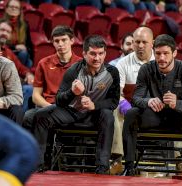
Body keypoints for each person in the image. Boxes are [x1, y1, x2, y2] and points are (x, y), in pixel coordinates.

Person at [121, 34, 182, 182]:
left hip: (178, 118)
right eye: (158, 53)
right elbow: (135, 99)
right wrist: (148, 101)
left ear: (174, 53)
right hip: (155, 115)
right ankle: (128, 167)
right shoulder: (146, 69)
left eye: (166, 53)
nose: (161, 58)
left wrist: (178, 103)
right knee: (131, 114)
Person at [32, 35, 120, 174]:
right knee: (40, 116)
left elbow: (113, 101)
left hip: (95, 115)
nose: (97, 58)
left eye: (100, 54)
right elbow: (59, 100)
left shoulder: (112, 72)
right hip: (71, 112)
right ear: (84, 54)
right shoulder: (73, 71)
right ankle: (38, 164)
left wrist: (94, 105)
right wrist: (72, 92)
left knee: (108, 115)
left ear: (105, 54)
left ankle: (102, 167)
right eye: (92, 54)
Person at [111, 27, 155, 169]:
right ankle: (117, 159)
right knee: (115, 108)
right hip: (130, 111)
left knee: (180, 107)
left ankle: (181, 160)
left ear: (152, 43)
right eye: (137, 42)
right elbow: (115, 92)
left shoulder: (162, 60)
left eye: (144, 42)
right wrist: (123, 102)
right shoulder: (123, 63)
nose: (140, 46)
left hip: (156, 109)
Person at [22, 25, 81, 130]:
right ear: (53, 43)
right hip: (48, 106)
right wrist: (50, 107)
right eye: (57, 41)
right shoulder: (44, 63)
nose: (60, 44)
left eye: (64, 40)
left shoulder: (82, 64)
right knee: (28, 116)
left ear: (72, 40)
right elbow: (36, 96)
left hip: (71, 109)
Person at [0, 18, 34, 112]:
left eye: (8, 32)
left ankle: (20, 121)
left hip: (8, 87)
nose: (5, 33)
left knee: (29, 89)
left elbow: (21, 68)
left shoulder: (8, 51)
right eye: (2, 30)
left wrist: (28, 74)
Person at [3, 0, 33, 68]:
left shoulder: (24, 25)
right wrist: (15, 47)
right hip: (6, 53)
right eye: (11, 7)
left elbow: (29, 45)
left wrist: (25, 48)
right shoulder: (2, 23)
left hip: (21, 54)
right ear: (7, 9)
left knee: (28, 60)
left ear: (20, 11)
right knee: (25, 59)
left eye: (16, 7)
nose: (14, 9)